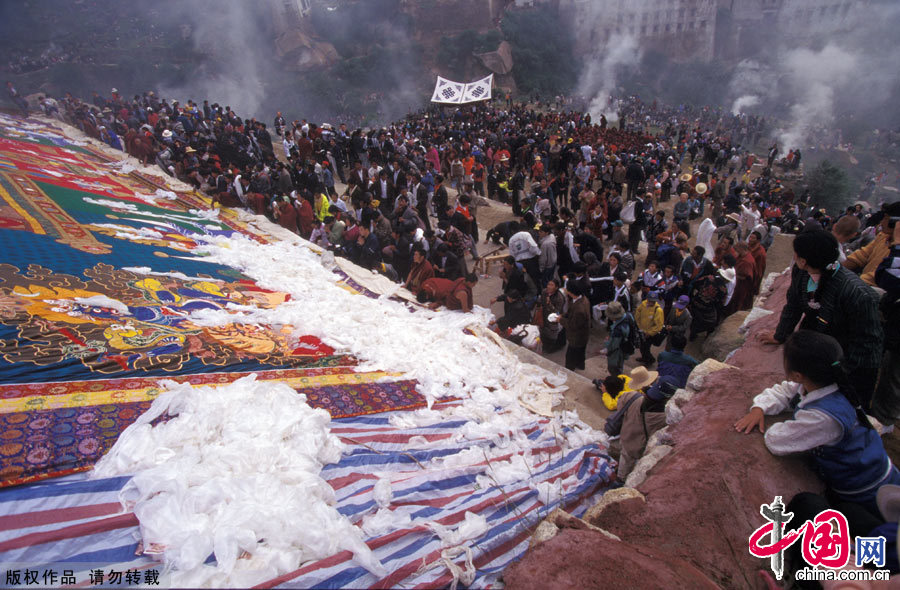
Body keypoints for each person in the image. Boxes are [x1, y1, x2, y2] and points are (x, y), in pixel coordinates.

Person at [735, 330, 900, 513]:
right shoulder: (827, 382)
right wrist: (759, 408)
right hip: (873, 468)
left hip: (865, 487)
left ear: (797, 375)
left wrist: (780, 423)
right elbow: (785, 391)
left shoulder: (823, 417)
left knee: (880, 523)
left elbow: (777, 441)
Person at [759, 230, 884, 409]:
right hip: (821, 342)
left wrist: (835, 373)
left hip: (850, 358)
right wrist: (781, 335)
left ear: (803, 260)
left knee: (844, 411)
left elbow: (867, 345)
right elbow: (793, 305)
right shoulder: (801, 273)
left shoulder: (856, 294)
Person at [605, 375, 679, 480]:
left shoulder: (631, 397)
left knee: (624, 460)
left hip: (626, 436)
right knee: (629, 469)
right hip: (639, 447)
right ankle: (621, 480)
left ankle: (620, 476)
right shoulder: (663, 418)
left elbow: (620, 407)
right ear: (668, 397)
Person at [555, 281, 591, 371]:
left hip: (577, 337)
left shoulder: (580, 309)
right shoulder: (581, 299)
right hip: (583, 335)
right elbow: (570, 312)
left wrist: (560, 320)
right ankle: (580, 365)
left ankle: (569, 372)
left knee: (570, 357)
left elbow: (572, 325)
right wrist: (563, 315)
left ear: (570, 292)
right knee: (580, 353)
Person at [603, 300, 633, 378]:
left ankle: (616, 380)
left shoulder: (618, 330)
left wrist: (607, 342)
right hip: (625, 346)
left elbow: (613, 346)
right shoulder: (628, 316)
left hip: (617, 352)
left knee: (613, 367)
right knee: (620, 365)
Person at [634, 292, 665, 364]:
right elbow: (637, 314)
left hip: (649, 334)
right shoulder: (643, 304)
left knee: (646, 348)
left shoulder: (658, 310)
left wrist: (650, 333)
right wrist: (639, 326)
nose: (651, 302)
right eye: (650, 300)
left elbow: (659, 325)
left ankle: (650, 360)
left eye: (653, 301)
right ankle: (644, 357)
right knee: (642, 347)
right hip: (641, 330)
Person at [538, 278, 567, 353]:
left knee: (552, 333)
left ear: (556, 287)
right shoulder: (544, 291)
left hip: (553, 318)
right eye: (548, 284)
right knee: (543, 330)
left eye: (552, 285)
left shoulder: (560, 298)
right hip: (544, 315)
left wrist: (549, 304)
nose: (549, 286)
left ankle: (553, 347)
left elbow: (557, 312)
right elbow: (541, 301)